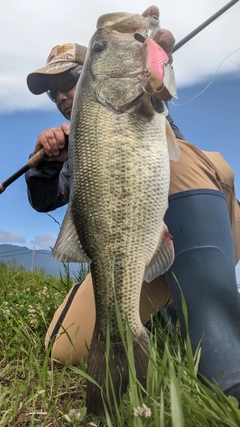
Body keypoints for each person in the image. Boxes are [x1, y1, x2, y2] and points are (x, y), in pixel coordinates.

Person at [25, 7, 240, 403]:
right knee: (62, 345)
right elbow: (44, 203)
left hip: (207, 221)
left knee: (186, 162)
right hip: (135, 254)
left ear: (89, 72)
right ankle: (162, 317)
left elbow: (160, 94)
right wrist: (46, 164)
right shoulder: (76, 152)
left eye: (70, 79)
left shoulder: (146, 98)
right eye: (52, 92)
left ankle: (227, 368)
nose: (60, 96)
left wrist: (157, 64)